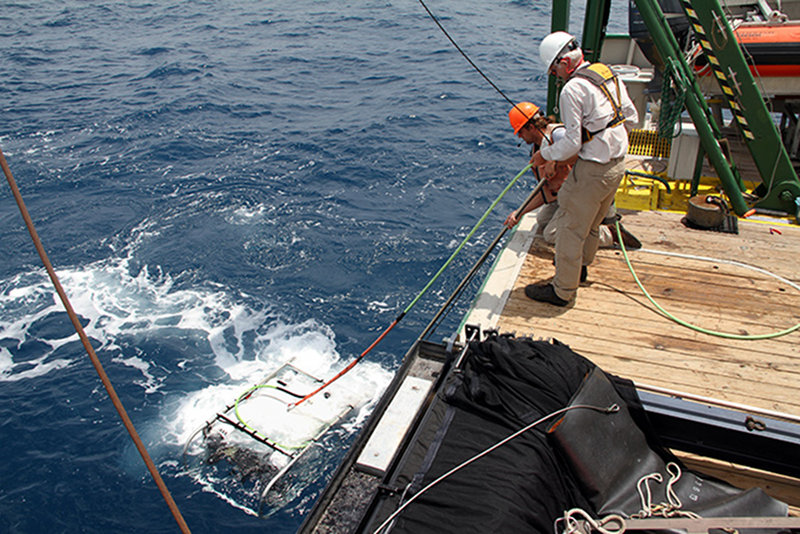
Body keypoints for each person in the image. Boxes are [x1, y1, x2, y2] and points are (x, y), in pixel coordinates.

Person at [526, 31, 639, 306]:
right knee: (591, 224)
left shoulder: (572, 90)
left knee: (569, 230)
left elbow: (571, 146)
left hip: (593, 171)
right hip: (617, 166)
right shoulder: (605, 72)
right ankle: (581, 271)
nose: (556, 75)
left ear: (563, 62)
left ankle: (562, 291)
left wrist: (544, 154)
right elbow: (632, 118)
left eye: (554, 70)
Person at [503, 102, 641, 254]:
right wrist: (519, 212)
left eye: (520, 132)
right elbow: (546, 190)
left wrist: (556, 162)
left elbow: (585, 154)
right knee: (542, 220)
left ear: (531, 127)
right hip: (562, 195)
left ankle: (609, 233)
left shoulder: (558, 135)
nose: (520, 137)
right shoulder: (539, 147)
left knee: (552, 234)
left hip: (580, 192)